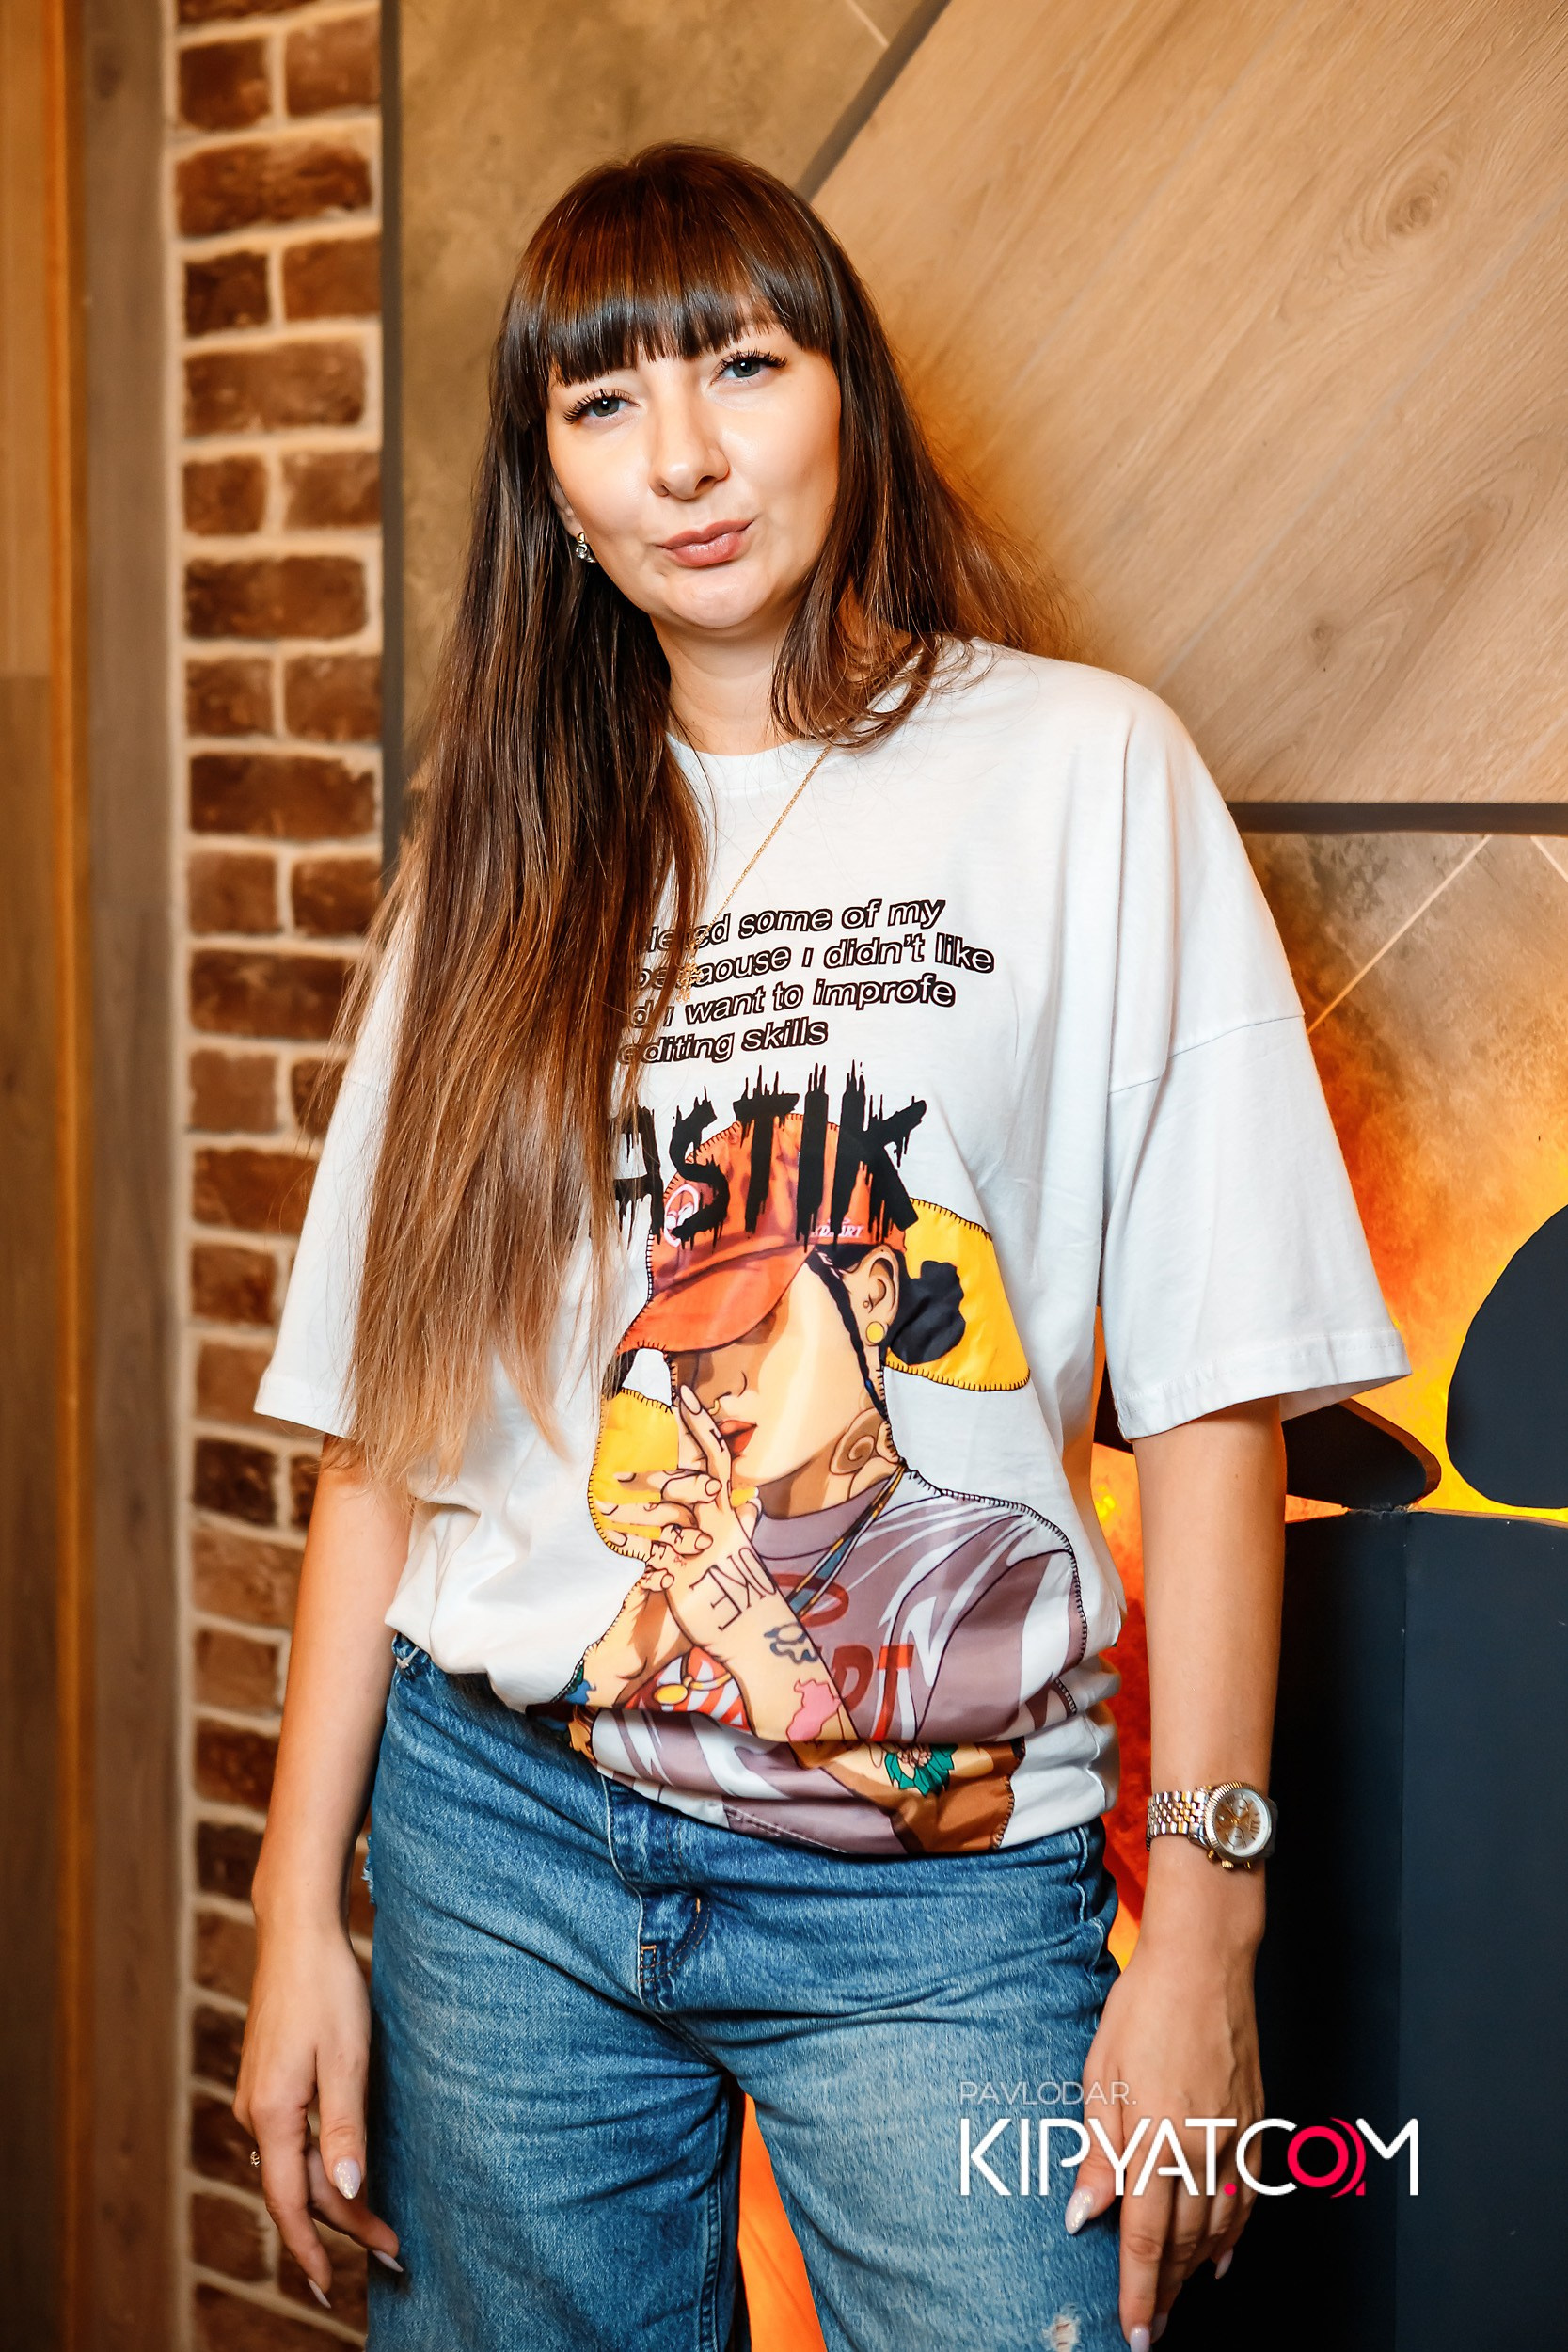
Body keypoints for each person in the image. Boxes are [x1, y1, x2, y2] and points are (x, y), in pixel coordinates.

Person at [234, 144, 1410, 2352]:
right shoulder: (496, 852)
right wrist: (298, 1904)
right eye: (604, 405)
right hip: (500, 1849)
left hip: (937, 1892)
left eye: (742, 369)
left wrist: (1204, 1931)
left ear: (844, 389)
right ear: (551, 482)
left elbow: (1217, 1393)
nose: (681, 458)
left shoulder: (1085, 776)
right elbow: (387, 1441)